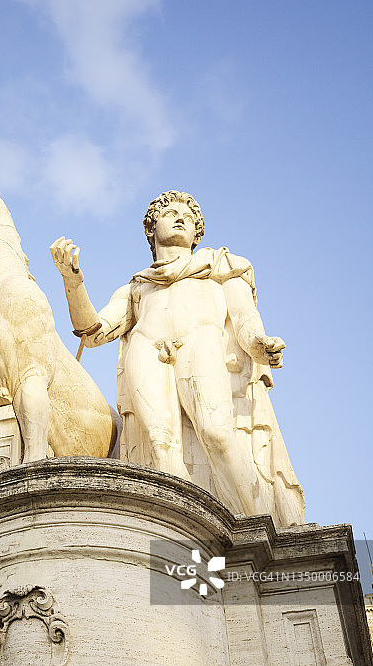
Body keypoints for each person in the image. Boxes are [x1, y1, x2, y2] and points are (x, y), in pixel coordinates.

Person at [50, 190, 304, 526]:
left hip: (201, 342)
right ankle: (183, 531)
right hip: (147, 349)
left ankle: (262, 522)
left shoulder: (222, 267)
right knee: (160, 442)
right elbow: (92, 332)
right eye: (169, 213)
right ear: (152, 230)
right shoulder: (137, 288)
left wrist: (261, 345)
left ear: (198, 232)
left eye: (188, 215)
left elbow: (245, 320)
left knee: (216, 432)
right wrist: (72, 280)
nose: (180, 217)